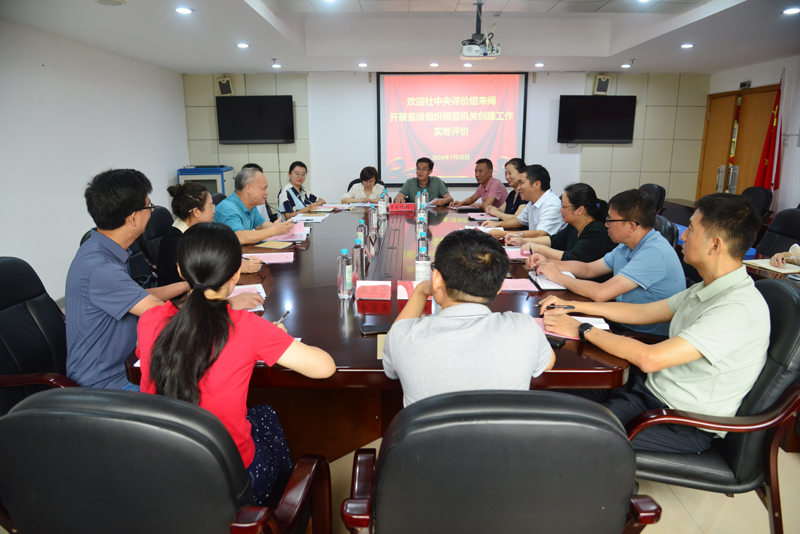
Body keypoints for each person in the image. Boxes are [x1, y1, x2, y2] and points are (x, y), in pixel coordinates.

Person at [540, 193, 769, 454]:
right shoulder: (706, 288)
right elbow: (641, 313)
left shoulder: (736, 308)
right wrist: (574, 306)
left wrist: (582, 329)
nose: (683, 236)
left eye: (691, 229)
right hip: (649, 392)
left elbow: (651, 359)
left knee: (565, 437)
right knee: (559, 394)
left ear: (715, 245)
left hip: (679, 421)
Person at [136, 222, 336, 505]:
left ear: (181, 271)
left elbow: (191, 335)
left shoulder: (150, 320)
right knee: (266, 416)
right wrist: (273, 338)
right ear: (236, 274)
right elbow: (325, 367)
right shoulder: (246, 327)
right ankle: (276, 506)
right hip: (230, 482)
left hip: (164, 473)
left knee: (262, 413)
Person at [382, 229, 555, 407]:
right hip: (504, 427)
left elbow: (391, 357)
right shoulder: (525, 329)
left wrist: (420, 291)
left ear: (436, 280)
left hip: (426, 427)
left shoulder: (403, 337)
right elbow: (548, 362)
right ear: (500, 286)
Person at [65, 169, 189, 390]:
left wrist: (187, 284)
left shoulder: (101, 247)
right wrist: (225, 305)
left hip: (128, 364)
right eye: (149, 207)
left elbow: (136, 296)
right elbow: (163, 314)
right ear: (132, 217)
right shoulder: (101, 268)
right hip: (109, 383)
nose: (151, 212)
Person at [530, 189, 685, 336]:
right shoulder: (626, 245)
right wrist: (548, 263)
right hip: (620, 320)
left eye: (610, 220)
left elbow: (601, 293)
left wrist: (558, 276)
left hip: (640, 335)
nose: (606, 225)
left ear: (631, 226)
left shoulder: (654, 253)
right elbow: (589, 269)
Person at [156, 183, 264, 309]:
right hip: (181, 304)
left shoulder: (196, 232)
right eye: (211, 206)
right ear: (196, 212)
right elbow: (198, 277)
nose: (214, 210)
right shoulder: (176, 241)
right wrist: (233, 268)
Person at [506, 183, 615, 264]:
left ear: (580, 210)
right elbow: (554, 240)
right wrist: (523, 241)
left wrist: (538, 248)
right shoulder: (573, 226)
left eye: (563, 206)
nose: (560, 210)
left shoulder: (596, 231)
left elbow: (572, 258)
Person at [481, 164, 565, 239]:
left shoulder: (551, 205)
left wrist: (504, 234)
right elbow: (519, 220)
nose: (518, 188)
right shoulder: (532, 202)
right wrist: (496, 224)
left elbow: (541, 233)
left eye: (521, 183)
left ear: (536, 184)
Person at [215, 167, 295, 245]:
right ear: (248, 188)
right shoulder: (228, 208)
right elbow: (239, 237)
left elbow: (260, 225)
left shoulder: (250, 205)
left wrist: (281, 228)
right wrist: (273, 230)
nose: (267, 192)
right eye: (264, 188)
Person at [486, 158, 528, 222]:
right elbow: (501, 209)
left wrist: (496, 212)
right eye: (506, 174)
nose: (507, 177)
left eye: (510, 173)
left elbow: (517, 219)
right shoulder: (512, 193)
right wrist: (491, 208)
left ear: (521, 173)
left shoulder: (525, 194)